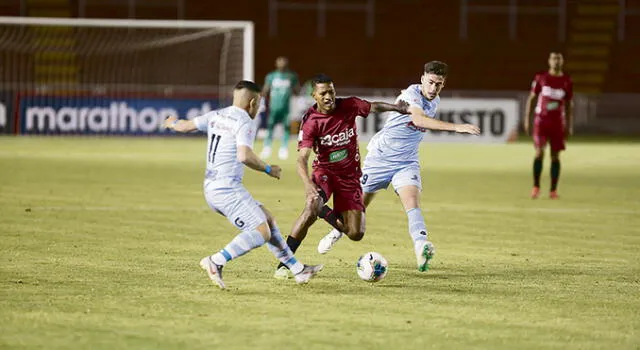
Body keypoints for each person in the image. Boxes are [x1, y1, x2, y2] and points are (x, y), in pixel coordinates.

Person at [316, 61, 480, 272]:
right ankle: (336, 232)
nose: (433, 88)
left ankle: (421, 247)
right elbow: (419, 120)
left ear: (443, 84)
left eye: (438, 84)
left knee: (412, 202)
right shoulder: (410, 96)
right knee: (357, 210)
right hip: (380, 159)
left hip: (406, 161)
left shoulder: (435, 99)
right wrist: (458, 127)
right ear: (422, 79)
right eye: (430, 82)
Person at [163, 80, 322, 289]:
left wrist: (172, 122)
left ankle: (297, 269)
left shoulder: (216, 115)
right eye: (260, 104)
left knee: (268, 220)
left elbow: (185, 126)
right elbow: (244, 155)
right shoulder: (244, 121)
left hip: (212, 187)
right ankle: (216, 261)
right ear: (253, 102)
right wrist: (268, 169)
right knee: (261, 231)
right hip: (226, 189)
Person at [273, 74, 411, 279]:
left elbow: (373, 106)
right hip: (325, 173)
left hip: (351, 177)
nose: (329, 96)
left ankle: (323, 210)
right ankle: (285, 264)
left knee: (355, 233)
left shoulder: (349, 105)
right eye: (323, 93)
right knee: (311, 206)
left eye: (331, 91)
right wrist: (308, 185)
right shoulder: (311, 122)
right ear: (314, 95)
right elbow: (301, 158)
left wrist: (396, 107)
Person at [524, 52, 574, 199]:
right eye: (554, 58)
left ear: (562, 61)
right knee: (539, 152)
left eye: (559, 58)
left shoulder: (567, 81)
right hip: (541, 121)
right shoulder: (541, 78)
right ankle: (536, 186)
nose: (556, 61)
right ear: (549, 61)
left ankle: (553, 190)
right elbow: (532, 99)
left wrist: (569, 125)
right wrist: (527, 120)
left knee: (555, 156)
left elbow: (569, 104)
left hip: (558, 123)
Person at [259, 56, 300, 160]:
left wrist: (295, 89)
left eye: (283, 62)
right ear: (276, 64)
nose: (281, 64)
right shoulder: (271, 76)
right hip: (273, 107)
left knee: (286, 128)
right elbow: (265, 90)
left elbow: (297, 90)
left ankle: (284, 148)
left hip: (285, 107)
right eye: (279, 62)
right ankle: (267, 147)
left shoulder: (291, 76)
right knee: (270, 127)